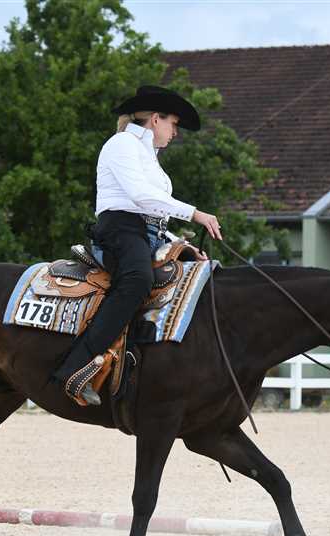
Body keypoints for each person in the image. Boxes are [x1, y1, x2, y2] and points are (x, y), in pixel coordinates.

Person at [52, 85, 223, 406]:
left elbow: (155, 213)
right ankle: (75, 367)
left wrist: (179, 245)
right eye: (173, 124)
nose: (175, 132)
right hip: (120, 229)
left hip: (146, 233)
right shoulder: (122, 144)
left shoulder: (148, 155)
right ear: (156, 119)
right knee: (138, 280)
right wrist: (195, 214)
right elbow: (140, 197)